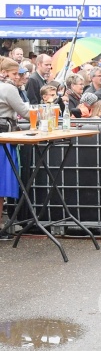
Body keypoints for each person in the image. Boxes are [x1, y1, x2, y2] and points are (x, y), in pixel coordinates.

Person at [0, 58, 31, 239]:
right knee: (1, 186)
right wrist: (46, 112)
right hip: (4, 139)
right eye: (16, 74)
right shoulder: (8, 88)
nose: (20, 77)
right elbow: (25, 112)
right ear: (6, 73)